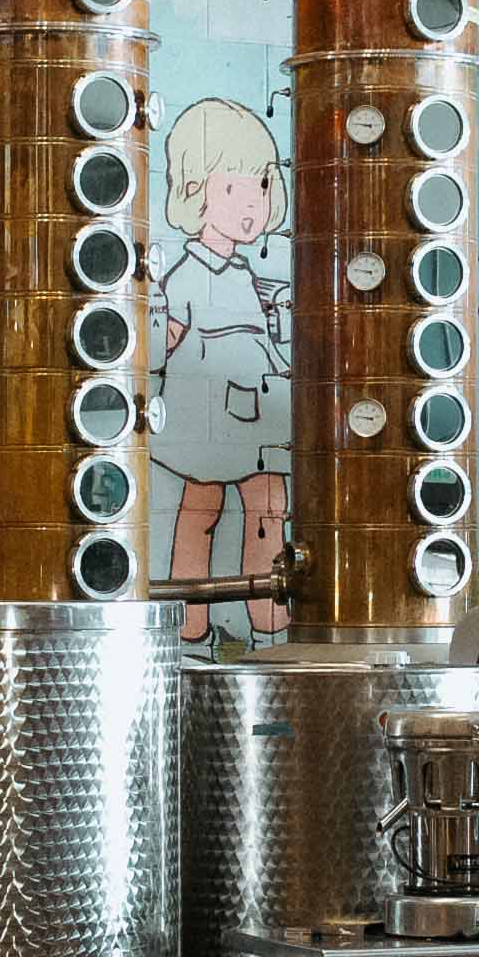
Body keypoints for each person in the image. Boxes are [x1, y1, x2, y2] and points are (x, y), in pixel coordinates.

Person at [153, 95, 289, 639]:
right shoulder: (186, 277)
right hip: (208, 414)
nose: (252, 202)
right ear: (195, 191)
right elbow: (163, 342)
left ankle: (269, 624)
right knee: (204, 511)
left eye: (261, 185)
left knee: (265, 508)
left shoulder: (244, 276)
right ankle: (193, 629)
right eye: (234, 187)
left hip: (253, 413)